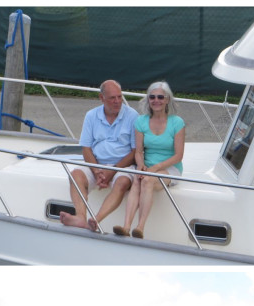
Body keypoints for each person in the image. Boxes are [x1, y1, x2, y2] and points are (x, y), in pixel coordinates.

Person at [60, 79, 138, 229]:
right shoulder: (91, 115)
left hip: (123, 165)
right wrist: (97, 171)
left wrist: (112, 170)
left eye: (119, 97)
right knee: (75, 175)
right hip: (96, 163)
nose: (117, 101)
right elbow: (86, 148)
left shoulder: (133, 116)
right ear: (101, 98)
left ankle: (96, 220)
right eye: (112, 98)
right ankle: (81, 217)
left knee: (122, 182)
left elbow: (135, 152)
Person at [112, 81, 185, 239]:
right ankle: (126, 227)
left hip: (170, 167)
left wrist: (155, 168)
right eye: (152, 97)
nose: (156, 100)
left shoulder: (177, 123)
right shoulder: (141, 121)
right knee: (138, 180)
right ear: (148, 100)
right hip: (147, 166)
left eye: (160, 97)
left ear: (167, 100)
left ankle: (140, 227)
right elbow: (138, 151)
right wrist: (140, 166)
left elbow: (178, 156)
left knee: (147, 181)